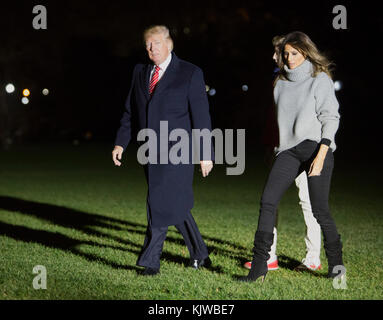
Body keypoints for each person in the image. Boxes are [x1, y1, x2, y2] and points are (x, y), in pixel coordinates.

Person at [239, 31, 345, 282]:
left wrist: (321, 155)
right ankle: (260, 267)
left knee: (319, 209)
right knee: (267, 201)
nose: (289, 57)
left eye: (294, 53)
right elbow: (282, 123)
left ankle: (337, 266)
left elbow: (331, 118)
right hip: (289, 150)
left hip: (317, 147)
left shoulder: (320, 79)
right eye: (285, 53)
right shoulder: (280, 82)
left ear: (305, 52)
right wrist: (276, 150)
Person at [112, 25, 214, 276]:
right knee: (174, 204)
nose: (151, 48)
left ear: (169, 44)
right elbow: (130, 112)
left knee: (157, 201)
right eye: (147, 44)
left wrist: (205, 153)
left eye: (156, 43)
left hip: (178, 150)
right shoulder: (139, 72)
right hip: (149, 151)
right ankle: (200, 254)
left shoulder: (190, 73)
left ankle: (150, 261)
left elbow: (201, 116)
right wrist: (120, 142)